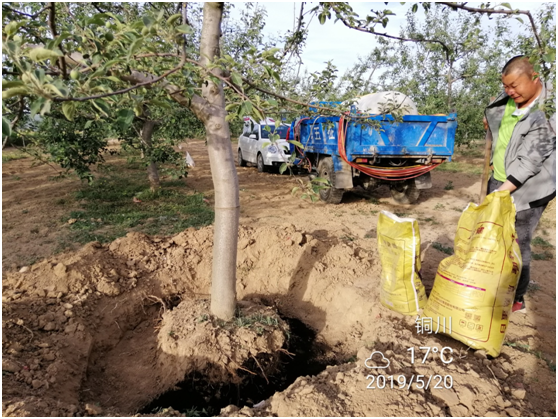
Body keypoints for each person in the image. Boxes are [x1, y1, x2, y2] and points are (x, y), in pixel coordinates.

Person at [484, 55, 556, 313]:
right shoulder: (508, 100)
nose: (509, 91)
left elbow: (530, 162)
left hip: (528, 188)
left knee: (517, 241)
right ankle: (494, 284)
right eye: (505, 86)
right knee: (494, 234)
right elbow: (501, 132)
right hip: (500, 179)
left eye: (514, 85)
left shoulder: (547, 113)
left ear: (534, 78)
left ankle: (517, 298)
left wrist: (500, 193)